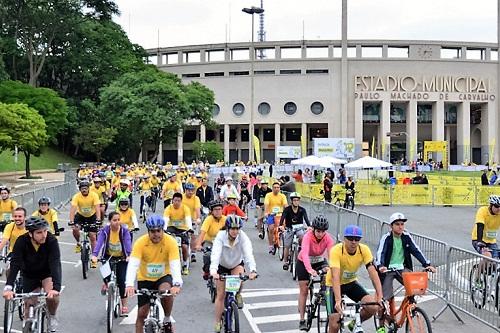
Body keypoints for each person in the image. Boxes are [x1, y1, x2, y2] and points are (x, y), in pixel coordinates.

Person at [3, 216, 61, 332]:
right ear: (30, 234)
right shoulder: (21, 241)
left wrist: (56, 288)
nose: (44, 235)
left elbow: (55, 263)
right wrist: (8, 286)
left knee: (53, 298)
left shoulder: (51, 240)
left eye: (45, 231)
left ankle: (52, 316)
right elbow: (15, 263)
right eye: (39, 232)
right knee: (29, 306)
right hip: (29, 274)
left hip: (46, 274)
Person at [125, 215, 182, 333]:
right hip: (145, 278)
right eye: (152, 231)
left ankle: (166, 319)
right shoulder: (140, 243)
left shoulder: (170, 242)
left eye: (158, 231)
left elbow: (175, 264)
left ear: (162, 230)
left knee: (165, 292)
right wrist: (129, 284)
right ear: (148, 231)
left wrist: (176, 284)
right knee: (141, 314)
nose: (156, 234)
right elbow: (133, 264)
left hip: (163, 276)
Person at [325, 225, 383, 333]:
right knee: (334, 323)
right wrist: (338, 301)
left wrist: (379, 295)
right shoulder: (337, 250)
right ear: (344, 239)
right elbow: (335, 276)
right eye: (350, 238)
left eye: (357, 239)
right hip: (333, 285)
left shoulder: (363, 250)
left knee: (373, 307)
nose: (353, 242)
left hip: (350, 283)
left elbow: (373, 272)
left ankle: (355, 323)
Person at [210, 215, 257, 333]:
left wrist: (253, 270)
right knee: (221, 295)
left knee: (241, 278)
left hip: (236, 264)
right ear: (227, 228)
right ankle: (217, 321)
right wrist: (213, 271)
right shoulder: (220, 237)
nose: (235, 231)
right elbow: (215, 254)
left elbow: (248, 254)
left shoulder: (243, 237)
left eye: (237, 229)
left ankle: (238, 294)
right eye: (232, 229)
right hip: (222, 266)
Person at [375, 212, 436, 303]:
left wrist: (427, 264)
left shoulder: (406, 236)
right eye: (397, 224)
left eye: (402, 224)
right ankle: (385, 314)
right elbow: (381, 253)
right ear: (391, 226)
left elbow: (416, 250)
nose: (400, 227)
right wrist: (381, 266)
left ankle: (410, 311)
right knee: (387, 296)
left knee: (414, 289)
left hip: (402, 268)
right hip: (387, 270)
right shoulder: (386, 238)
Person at [296, 215, 334, 330]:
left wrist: (332, 268)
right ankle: (302, 319)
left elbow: (332, 255)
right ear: (313, 229)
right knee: (304, 290)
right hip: (304, 261)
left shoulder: (328, 238)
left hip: (319, 260)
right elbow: (305, 254)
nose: (320, 234)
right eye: (318, 231)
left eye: (323, 232)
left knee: (328, 272)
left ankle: (323, 292)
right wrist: (310, 270)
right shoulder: (307, 237)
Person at [92, 211, 132, 316]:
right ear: (110, 221)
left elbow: (127, 243)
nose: (117, 222)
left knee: (122, 281)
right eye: (114, 220)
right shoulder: (105, 231)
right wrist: (95, 255)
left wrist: (128, 255)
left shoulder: (124, 231)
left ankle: (124, 306)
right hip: (108, 256)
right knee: (106, 275)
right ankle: (106, 283)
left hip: (122, 258)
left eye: (118, 220)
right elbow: (99, 242)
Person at [69, 180, 101, 262]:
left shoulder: (94, 195)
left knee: (93, 236)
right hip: (81, 216)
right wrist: (71, 221)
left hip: (92, 216)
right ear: (80, 189)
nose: (84, 190)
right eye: (82, 189)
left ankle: (94, 258)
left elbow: (97, 208)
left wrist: (98, 219)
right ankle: (78, 243)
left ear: (88, 189)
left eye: (86, 188)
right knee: (75, 229)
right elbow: (73, 209)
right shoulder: (76, 196)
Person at [195, 200, 227, 280]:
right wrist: (198, 244)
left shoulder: (226, 219)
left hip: (222, 243)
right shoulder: (209, 219)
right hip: (209, 242)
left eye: (219, 209)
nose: (218, 211)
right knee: (208, 255)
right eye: (215, 210)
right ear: (212, 211)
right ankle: (206, 271)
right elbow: (202, 232)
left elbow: (232, 232)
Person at [163, 192, 193, 275]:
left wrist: (190, 228)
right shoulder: (168, 208)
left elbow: (188, 219)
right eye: (175, 200)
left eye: (178, 201)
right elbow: (165, 219)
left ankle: (185, 264)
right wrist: (164, 229)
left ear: (181, 201)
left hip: (183, 229)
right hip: (171, 228)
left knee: (184, 247)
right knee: (168, 244)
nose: (176, 202)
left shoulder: (185, 208)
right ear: (172, 200)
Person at [279, 192, 310, 271]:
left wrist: (309, 227)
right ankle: (285, 262)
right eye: (294, 200)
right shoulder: (287, 209)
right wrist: (281, 225)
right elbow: (282, 218)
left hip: (299, 229)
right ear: (291, 201)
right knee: (287, 245)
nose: (296, 202)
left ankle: (300, 253)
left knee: (302, 238)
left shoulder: (302, 210)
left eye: (297, 200)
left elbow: (306, 220)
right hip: (289, 229)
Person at [471, 194, 500, 259]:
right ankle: (479, 269)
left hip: (491, 241)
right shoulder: (483, 210)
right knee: (488, 257)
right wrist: (479, 241)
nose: (499, 209)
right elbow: (480, 225)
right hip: (478, 239)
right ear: (491, 205)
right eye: (496, 206)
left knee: (495, 260)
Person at [264, 182, 288, 254]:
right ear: (272, 188)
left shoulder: (282, 196)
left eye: (278, 187)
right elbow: (266, 204)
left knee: (283, 228)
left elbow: (285, 204)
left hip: (280, 215)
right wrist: (266, 212)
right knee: (271, 229)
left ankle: (281, 239)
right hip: (271, 214)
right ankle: (271, 245)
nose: (276, 189)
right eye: (275, 187)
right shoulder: (268, 195)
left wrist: (288, 211)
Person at [182, 182, 202, 263]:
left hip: (193, 219)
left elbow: (197, 209)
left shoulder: (196, 198)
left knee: (194, 236)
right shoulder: (182, 197)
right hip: (183, 220)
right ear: (185, 190)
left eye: (192, 190)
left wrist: (198, 218)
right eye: (189, 190)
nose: (190, 192)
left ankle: (193, 253)